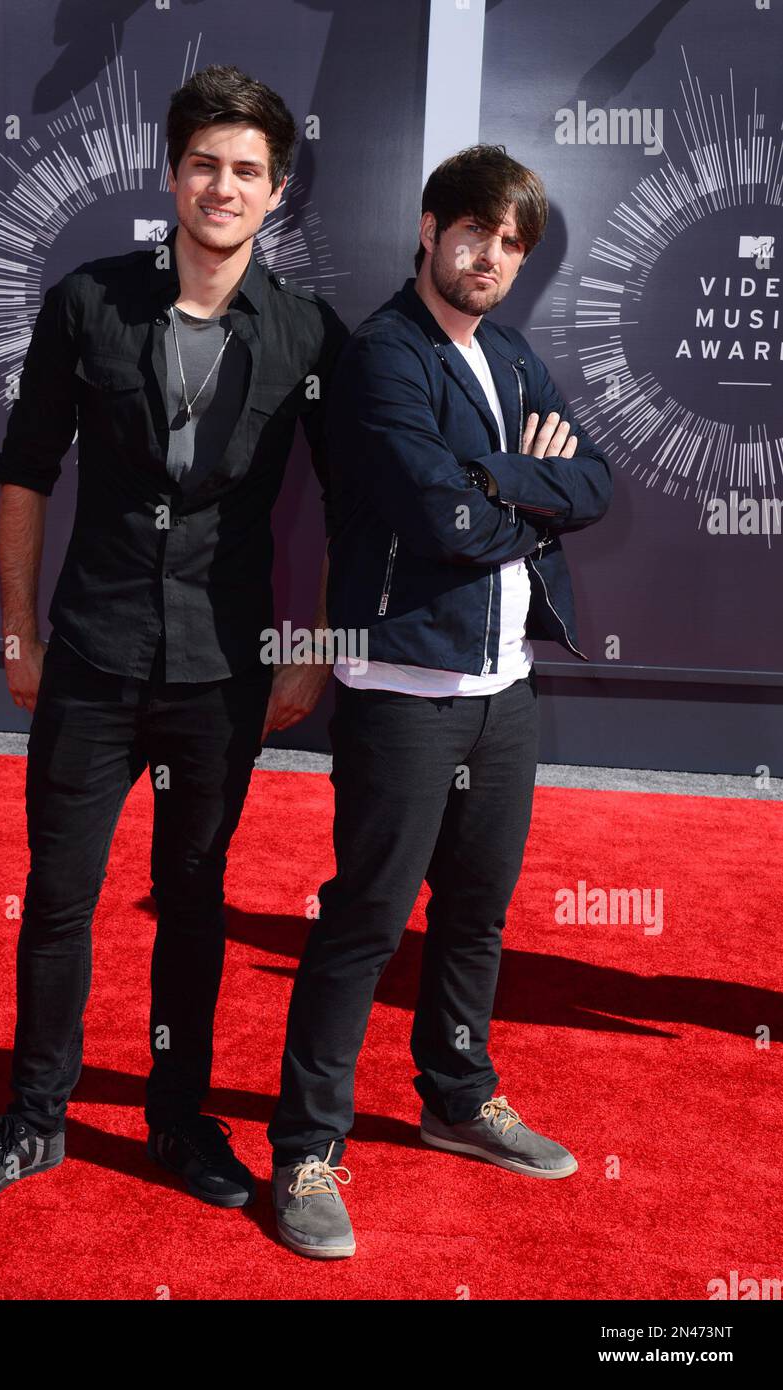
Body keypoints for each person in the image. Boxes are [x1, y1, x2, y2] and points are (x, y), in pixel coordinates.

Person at [0, 64, 347, 1211]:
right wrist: (18, 629)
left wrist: (308, 646)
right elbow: (24, 474)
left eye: (247, 170)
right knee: (58, 895)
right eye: (204, 162)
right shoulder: (87, 302)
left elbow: (340, 502)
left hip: (220, 672)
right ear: (172, 175)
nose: (223, 184)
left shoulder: (308, 332)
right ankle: (32, 1117)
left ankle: (176, 1115)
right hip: (93, 653)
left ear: (277, 191)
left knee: (194, 899)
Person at [267, 145, 613, 1258]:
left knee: (474, 915)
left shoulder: (509, 355)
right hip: (400, 691)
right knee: (364, 921)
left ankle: (455, 1095)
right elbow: (435, 521)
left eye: (512, 244)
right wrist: (524, 484)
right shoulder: (381, 358)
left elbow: (596, 483)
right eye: (473, 231)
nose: (491, 256)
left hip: (503, 690)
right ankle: (306, 1148)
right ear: (427, 228)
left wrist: (498, 476)